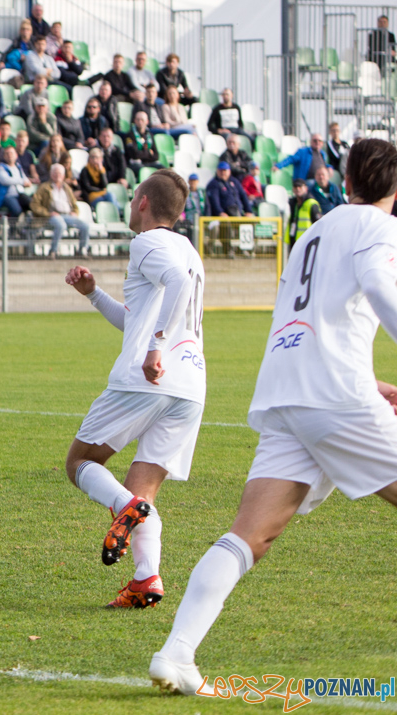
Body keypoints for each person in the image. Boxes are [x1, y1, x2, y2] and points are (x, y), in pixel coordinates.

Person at [148, 139, 397, 693]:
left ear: (347, 178)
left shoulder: (312, 233)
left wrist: (367, 379)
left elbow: (309, 316)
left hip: (290, 394)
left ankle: (176, 652)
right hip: (334, 395)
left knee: (250, 536)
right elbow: (380, 288)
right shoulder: (379, 228)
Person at [58, 169, 207, 611]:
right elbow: (138, 318)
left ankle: (125, 507)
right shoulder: (187, 249)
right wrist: (93, 293)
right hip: (191, 385)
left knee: (81, 462)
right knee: (144, 490)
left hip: (149, 376)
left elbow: (169, 297)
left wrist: (155, 348)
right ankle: (146, 579)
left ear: (142, 201)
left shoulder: (145, 242)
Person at [33, 163, 92, 258]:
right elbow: (34, 205)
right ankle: (53, 251)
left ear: (63, 175)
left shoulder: (67, 188)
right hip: (51, 216)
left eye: (59, 173)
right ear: (51, 174)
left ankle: (82, 250)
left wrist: (75, 212)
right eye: (55, 173)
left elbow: (74, 204)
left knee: (85, 226)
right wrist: (48, 213)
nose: (57, 175)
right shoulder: (44, 187)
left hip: (67, 215)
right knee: (61, 225)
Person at [287, 176, 320, 248]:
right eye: (295, 187)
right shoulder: (293, 204)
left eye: (300, 186)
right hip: (295, 242)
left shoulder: (311, 203)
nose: (297, 189)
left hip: (308, 242)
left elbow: (318, 224)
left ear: (306, 188)